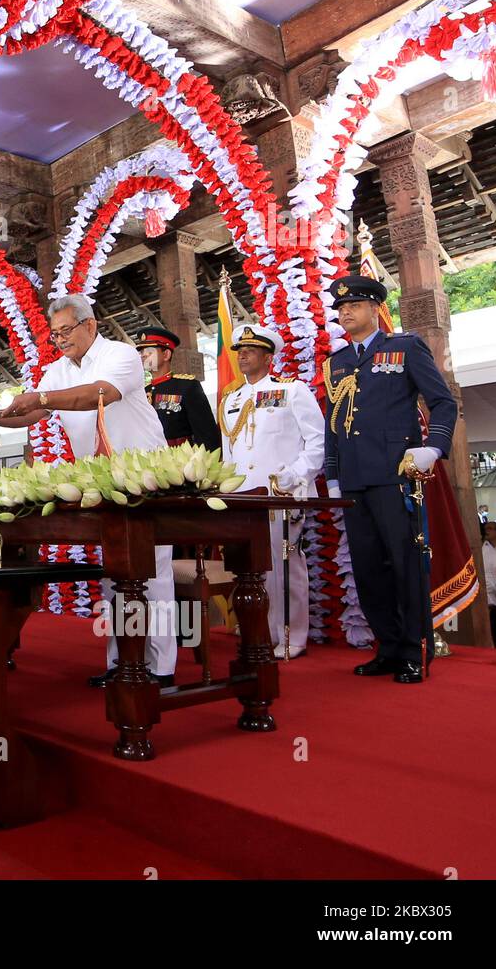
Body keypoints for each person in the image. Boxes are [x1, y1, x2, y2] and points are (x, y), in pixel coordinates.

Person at [0, 294, 177, 687]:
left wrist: (37, 398)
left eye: (66, 330)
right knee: (115, 573)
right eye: (54, 335)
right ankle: (121, 662)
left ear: (91, 324)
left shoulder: (120, 355)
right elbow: (40, 412)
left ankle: (160, 668)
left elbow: (97, 395)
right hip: (103, 479)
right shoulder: (57, 370)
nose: (60, 340)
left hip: (148, 476)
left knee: (151, 572)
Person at [323, 274, 457, 684]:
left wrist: (432, 448)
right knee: (367, 569)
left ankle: (415, 651)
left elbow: (442, 402)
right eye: (341, 308)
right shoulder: (337, 363)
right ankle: (388, 647)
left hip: (396, 475)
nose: (345, 312)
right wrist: (333, 476)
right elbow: (334, 424)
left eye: (354, 305)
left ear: (375, 309)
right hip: (355, 480)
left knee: (405, 563)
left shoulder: (404, 347)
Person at [219, 323, 325, 658]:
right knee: (252, 569)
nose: (243, 355)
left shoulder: (291, 391)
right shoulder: (230, 400)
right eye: (240, 350)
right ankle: (261, 632)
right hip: (244, 496)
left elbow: (318, 441)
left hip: (280, 493)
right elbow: (228, 453)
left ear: (268, 356)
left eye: (251, 350)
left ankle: (292, 637)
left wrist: (293, 476)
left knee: (284, 565)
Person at [137, 327, 219, 452]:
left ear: (166, 354)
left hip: (181, 461)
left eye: (149, 351)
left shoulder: (187, 386)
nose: (143, 355)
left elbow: (206, 434)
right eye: (141, 351)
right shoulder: (142, 392)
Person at [483, 521, 496, 648]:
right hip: (492, 598)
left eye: (490, 528)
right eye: (486, 529)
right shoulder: (484, 549)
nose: (487, 531)